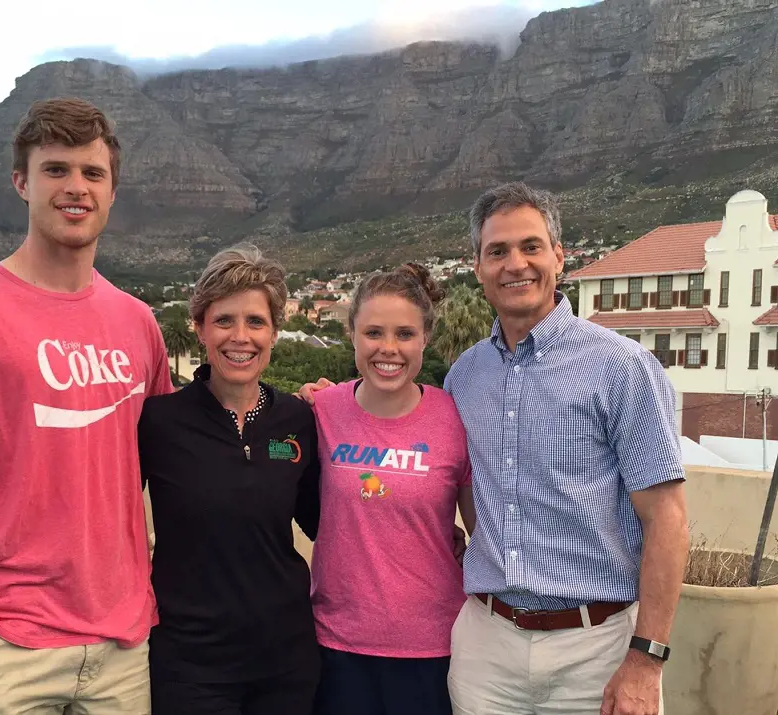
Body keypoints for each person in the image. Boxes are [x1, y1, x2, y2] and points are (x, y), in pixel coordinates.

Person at [0, 97, 173, 714]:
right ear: (21, 181)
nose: (75, 187)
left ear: (112, 190)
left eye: (92, 173)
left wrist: (307, 402)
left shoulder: (138, 324)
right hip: (5, 647)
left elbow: (181, 452)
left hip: (121, 647)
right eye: (56, 170)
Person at [442, 182, 689, 715]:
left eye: (531, 246)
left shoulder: (621, 367)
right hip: (486, 647)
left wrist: (646, 660)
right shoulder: (463, 377)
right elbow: (464, 483)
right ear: (478, 266)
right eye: (498, 251)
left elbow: (666, 518)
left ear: (559, 254)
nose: (516, 264)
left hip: (596, 649)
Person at [137, 244, 322, 715]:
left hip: (286, 658)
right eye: (224, 321)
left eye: (256, 322)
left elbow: (327, 521)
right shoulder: (158, 421)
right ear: (199, 327)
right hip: (189, 663)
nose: (240, 337)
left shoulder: (298, 419)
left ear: (276, 332)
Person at [308, 263, 476, 715]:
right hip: (336, 642)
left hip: (433, 646)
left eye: (404, 334)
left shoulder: (454, 419)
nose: (388, 349)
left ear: (425, 338)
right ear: (352, 334)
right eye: (373, 333)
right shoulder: (319, 411)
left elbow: (485, 529)